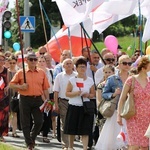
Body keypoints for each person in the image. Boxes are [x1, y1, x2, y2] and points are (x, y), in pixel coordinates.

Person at [9, 52, 50, 150]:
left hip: (38, 99)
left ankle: (31, 138)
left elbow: (45, 88)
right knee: (25, 122)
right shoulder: (21, 72)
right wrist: (20, 86)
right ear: (26, 61)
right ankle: (29, 144)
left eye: (35, 59)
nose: (33, 61)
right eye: (31, 59)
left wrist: (47, 101)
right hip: (25, 99)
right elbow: (11, 84)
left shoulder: (41, 72)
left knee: (39, 121)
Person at [95, 55, 132, 150]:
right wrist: (113, 94)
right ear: (119, 65)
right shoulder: (112, 79)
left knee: (128, 139)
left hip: (129, 111)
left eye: (129, 63)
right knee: (112, 139)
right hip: (116, 111)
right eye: (124, 63)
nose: (127, 65)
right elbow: (104, 93)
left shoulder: (133, 78)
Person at [117, 56, 150, 150]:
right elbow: (122, 99)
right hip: (133, 116)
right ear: (143, 68)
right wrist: (119, 115)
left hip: (147, 118)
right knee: (134, 145)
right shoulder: (131, 80)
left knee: (144, 146)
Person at [64, 58, 95, 150]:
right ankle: (71, 146)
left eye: (84, 67)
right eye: (80, 67)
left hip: (85, 106)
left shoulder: (90, 80)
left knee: (85, 129)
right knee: (72, 128)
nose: (82, 69)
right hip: (74, 105)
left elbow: (93, 94)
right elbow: (67, 93)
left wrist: (88, 95)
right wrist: (76, 93)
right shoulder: (72, 80)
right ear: (76, 68)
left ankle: (84, 148)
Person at [53, 58, 77, 150]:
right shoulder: (59, 76)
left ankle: (71, 144)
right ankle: (65, 145)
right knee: (64, 122)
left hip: (74, 101)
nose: (69, 65)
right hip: (63, 101)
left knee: (72, 122)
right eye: (67, 63)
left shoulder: (77, 76)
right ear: (63, 66)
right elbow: (56, 91)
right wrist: (56, 104)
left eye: (70, 63)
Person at [37, 55, 53, 143]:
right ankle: (36, 131)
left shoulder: (50, 72)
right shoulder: (36, 72)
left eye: (43, 61)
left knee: (47, 116)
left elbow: (51, 85)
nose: (42, 63)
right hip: (38, 96)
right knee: (38, 116)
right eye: (40, 61)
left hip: (49, 95)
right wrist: (43, 98)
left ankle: (45, 135)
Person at [7, 55, 20, 138]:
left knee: (14, 113)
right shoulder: (6, 72)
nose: (12, 64)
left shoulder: (18, 72)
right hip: (6, 94)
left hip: (15, 94)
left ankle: (14, 131)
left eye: (14, 63)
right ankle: (7, 128)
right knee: (7, 113)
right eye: (10, 63)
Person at [0, 53, 9, 142]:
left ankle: (1, 134)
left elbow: (10, 82)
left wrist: (8, 86)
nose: (2, 61)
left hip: (4, 96)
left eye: (3, 60)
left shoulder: (6, 70)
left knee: (4, 115)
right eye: (0, 60)